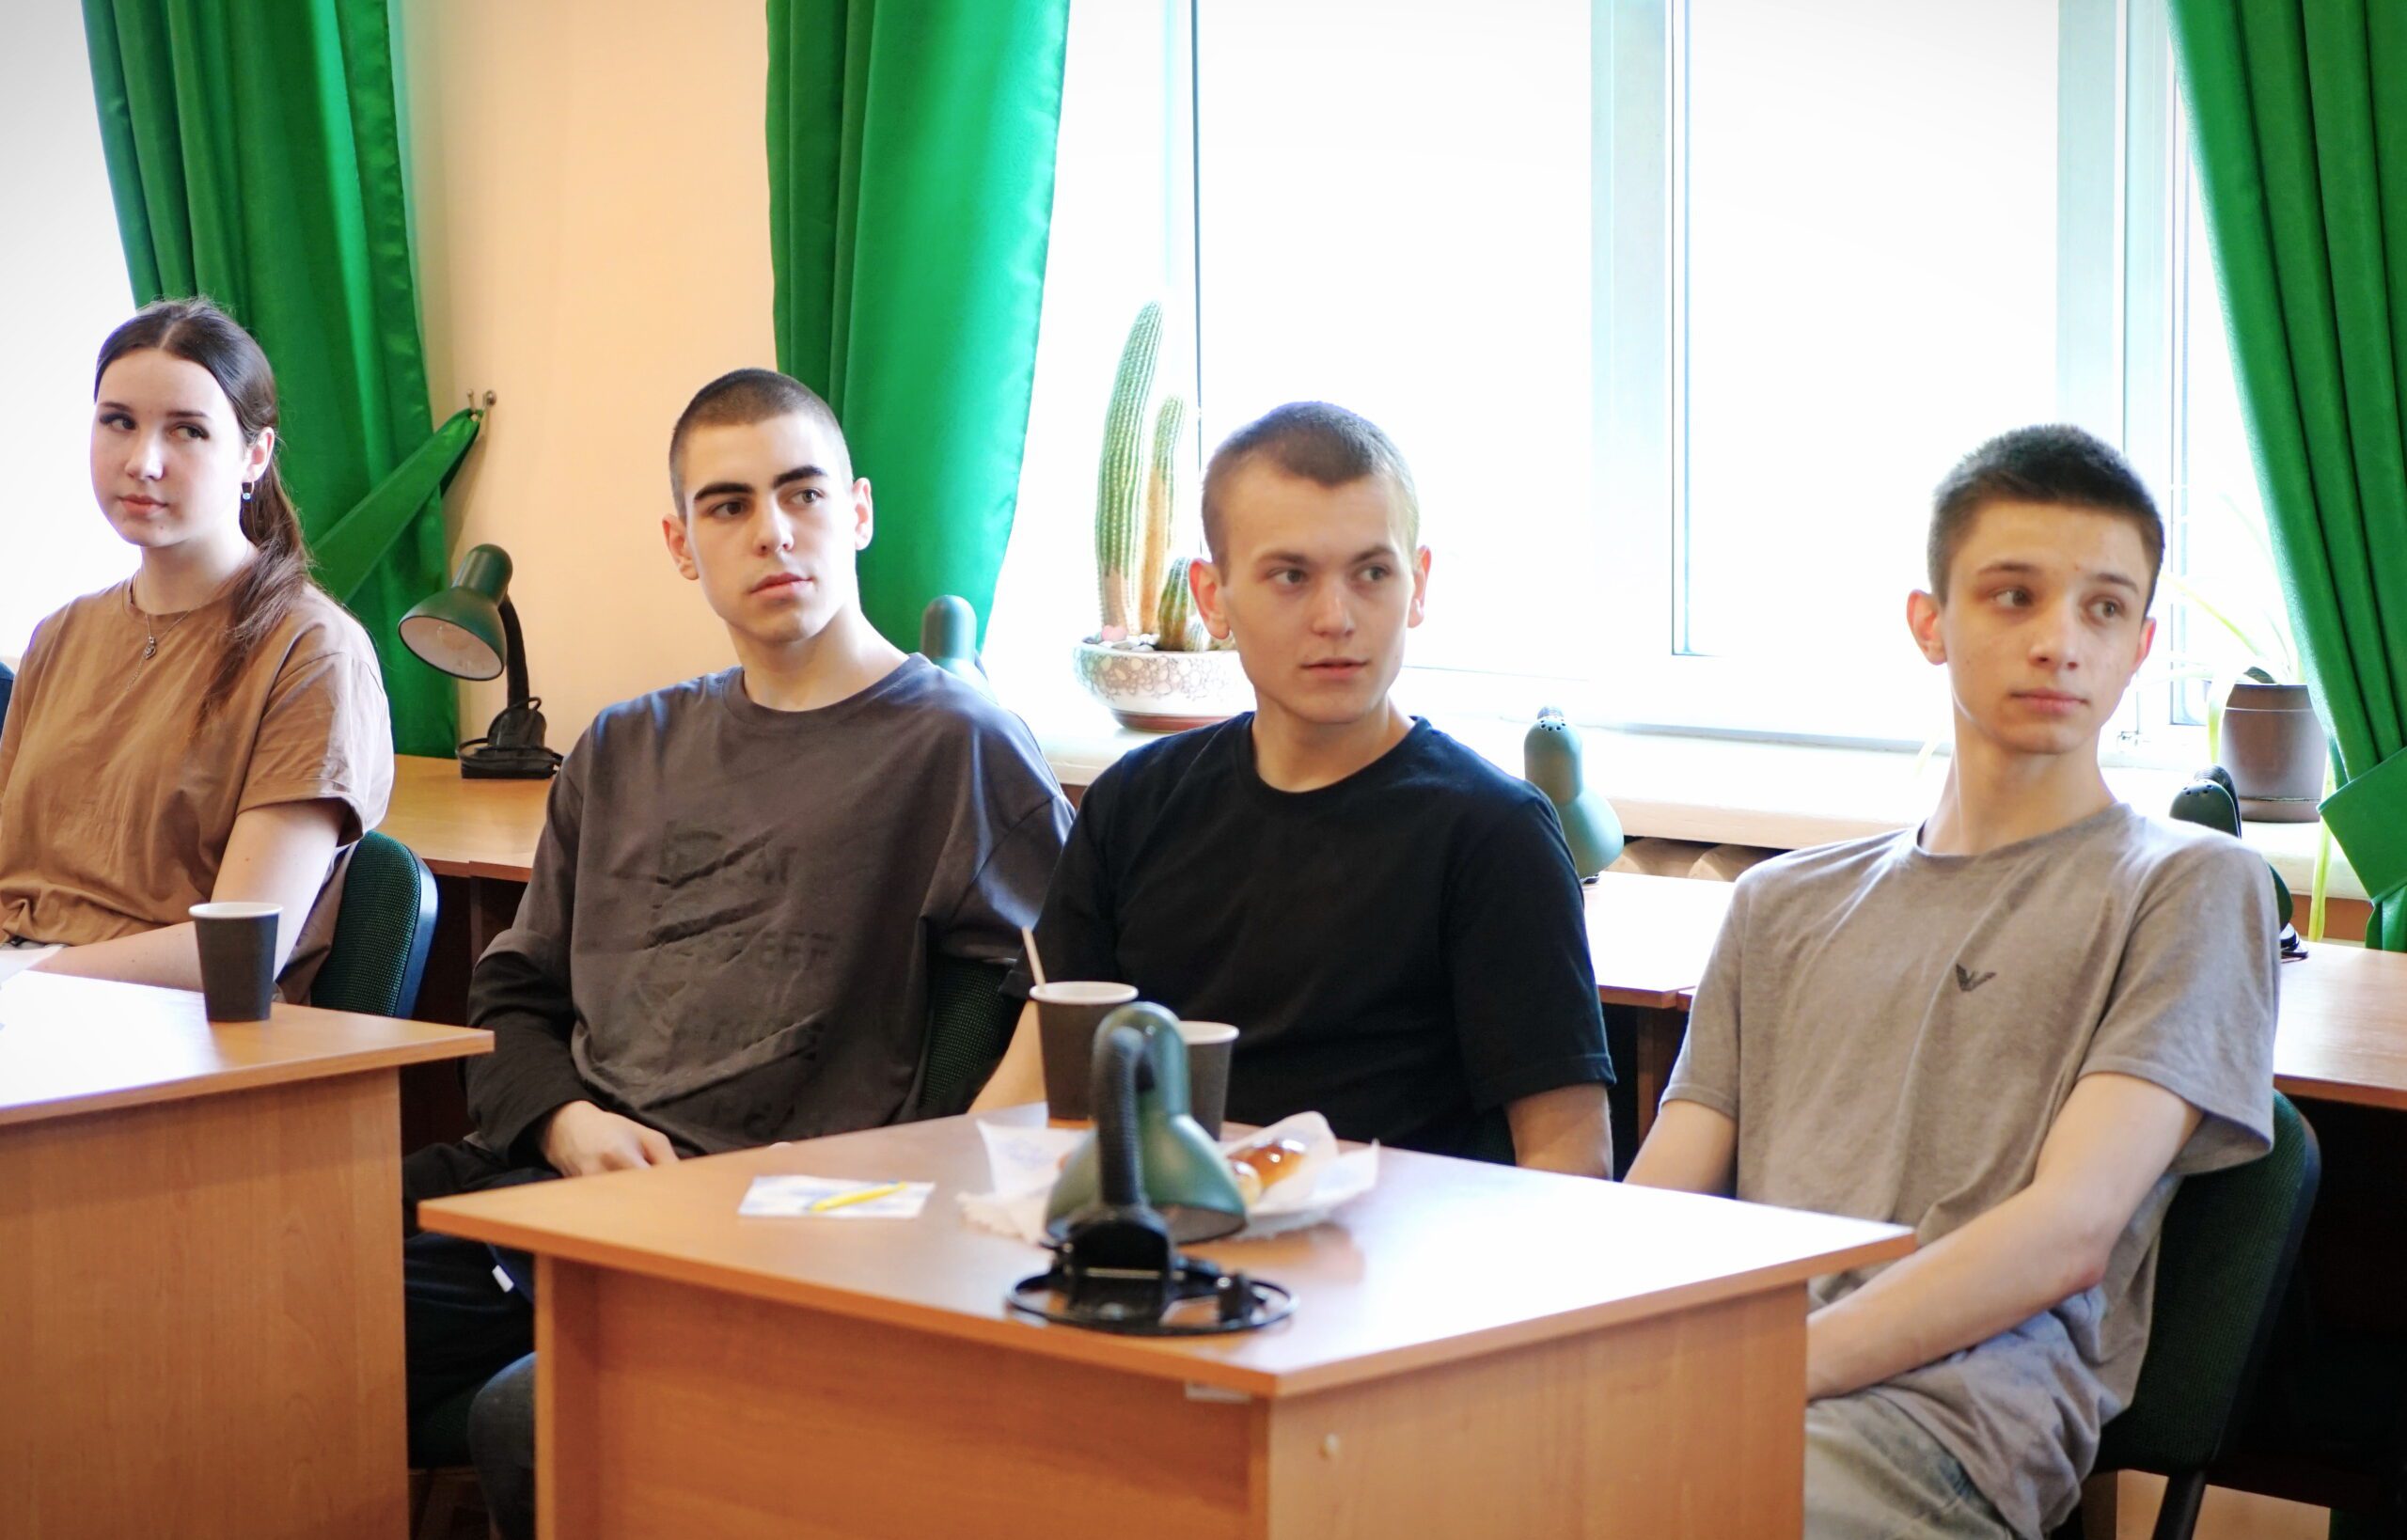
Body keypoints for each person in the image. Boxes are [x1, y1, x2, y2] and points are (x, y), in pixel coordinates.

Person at [404, 368, 1072, 1538]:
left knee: (508, 1408)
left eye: (802, 493)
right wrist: (566, 1123)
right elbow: (510, 997)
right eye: (728, 505)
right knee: (251, 1286)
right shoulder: (624, 747)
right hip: (565, 1195)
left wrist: (923, 1206)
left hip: (768, 1226)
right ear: (682, 544)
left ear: (857, 513)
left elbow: (1072, 1006)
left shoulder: (959, 748)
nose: (773, 531)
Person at [1626, 424, 2280, 1538]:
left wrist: (1766, 1370)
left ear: (2138, 645)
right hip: (1720, 1390)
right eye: (2012, 597)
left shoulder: (2189, 886)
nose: (2060, 643)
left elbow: (2069, 1229)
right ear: (1929, 622)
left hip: (1937, 1428)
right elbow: (1649, 1218)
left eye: (2103, 609)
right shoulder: (1779, 906)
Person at [978, 401, 1613, 1174]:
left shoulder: (1495, 833)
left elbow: (1567, 1156)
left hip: (1394, 1242)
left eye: (1372, 573)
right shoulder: (1134, 803)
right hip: (1160, 1233)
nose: (1335, 618)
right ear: (1212, 598)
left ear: (1417, 586)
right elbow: (1026, 1090)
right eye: (1291, 576)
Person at [0, 296, 391, 997]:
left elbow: (236, 952)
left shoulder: (312, 650)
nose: (142, 461)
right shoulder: (60, 634)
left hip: (175, 1033)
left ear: (254, 455)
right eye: (118, 421)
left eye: (187, 431)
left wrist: (20, 978)